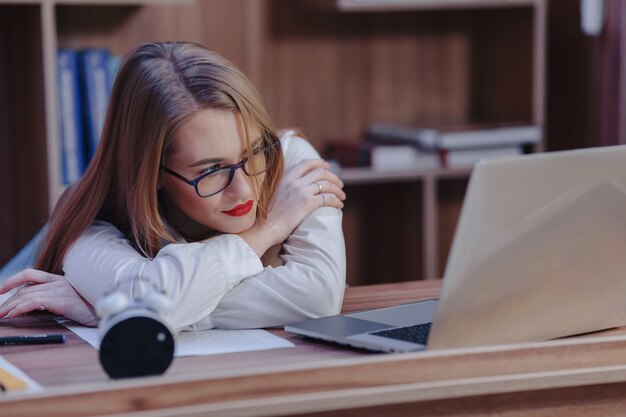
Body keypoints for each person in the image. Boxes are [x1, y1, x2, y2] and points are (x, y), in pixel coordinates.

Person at [0, 41, 346, 332]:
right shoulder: (87, 225)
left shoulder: (288, 161)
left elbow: (318, 298)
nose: (243, 189)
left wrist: (117, 311)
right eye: (211, 170)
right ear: (153, 175)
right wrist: (270, 228)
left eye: (253, 152)